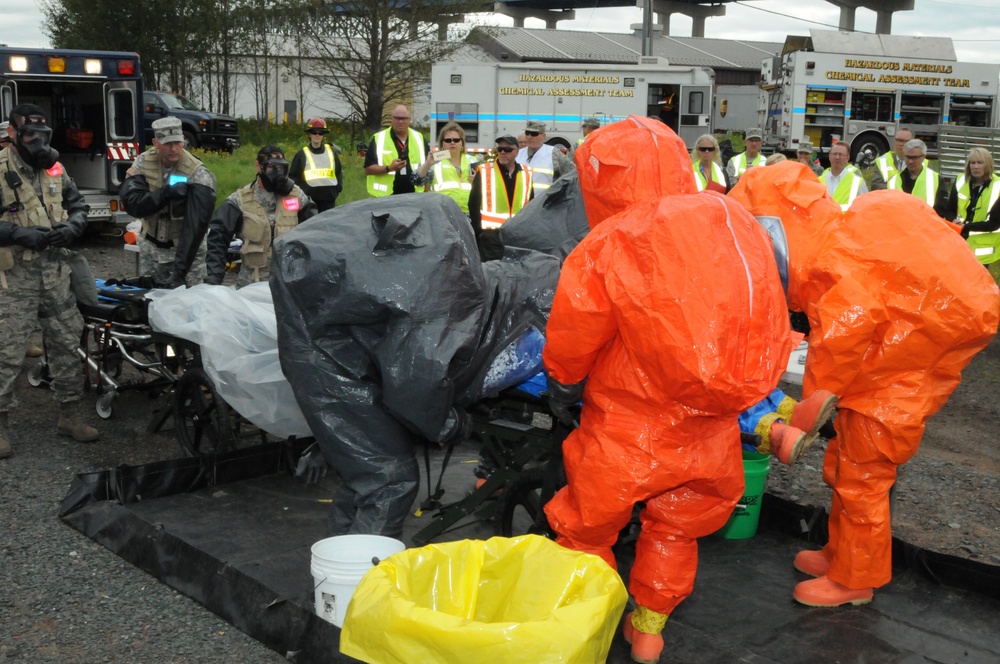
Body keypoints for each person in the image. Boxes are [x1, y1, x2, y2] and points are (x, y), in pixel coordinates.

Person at [544, 116, 793, 664]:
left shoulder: (614, 237)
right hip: (710, 426)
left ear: (600, 178)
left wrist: (561, 377)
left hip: (629, 424)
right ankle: (649, 631)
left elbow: (574, 334)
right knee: (675, 528)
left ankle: (592, 626)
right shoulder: (731, 216)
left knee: (588, 530)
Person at [730, 161, 999, 608]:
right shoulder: (840, 246)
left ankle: (855, 579)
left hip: (895, 384)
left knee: (863, 477)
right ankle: (841, 555)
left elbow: (842, 336)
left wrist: (807, 408)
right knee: (845, 465)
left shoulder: (834, 259)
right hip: (889, 370)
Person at [0, 103, 100, 458]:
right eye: (30, 134)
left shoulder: (56, 169)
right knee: (8, 352)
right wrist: (18, 233)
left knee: (67, 345)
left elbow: (79, 206)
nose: (38, 141)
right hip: (15, 279)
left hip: (56, 274)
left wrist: (72, 227)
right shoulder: (0, 169)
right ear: (12, 133)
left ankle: (70, 415)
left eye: (44, 135)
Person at [120, 116, 216, 288]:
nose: (173, 149)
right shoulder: (143, 163)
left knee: (190, 305)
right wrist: (165, 194)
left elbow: (196, 226)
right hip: (152, 250)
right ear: (155, 143)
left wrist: (179, 272)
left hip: (187, 253)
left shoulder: (198, 174)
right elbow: (133, 205)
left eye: (178, 143)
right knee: (151, 302)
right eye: (167, 144)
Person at [205, 145, 318, 287]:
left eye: (281, 168)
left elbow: (315, 231)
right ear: (258, 167)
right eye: (271, 167)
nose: (277, 173)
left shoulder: (297, 196)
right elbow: (217, 239)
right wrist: (214, 278)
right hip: (252, 283)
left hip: (288, 283)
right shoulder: (240, 200)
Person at [468, 135, 533, 260]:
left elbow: (531, 205)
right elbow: (473, 203)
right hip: (491, 237)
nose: (503, 152)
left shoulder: (526, 173)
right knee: (492, 275)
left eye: (507, 150)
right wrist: (480, 232)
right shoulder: (485, 170)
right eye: (500, 149)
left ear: (516, 152)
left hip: (517, 236)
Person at [935, 147, 1000, 263]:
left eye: (980, 163)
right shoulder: (961, 181)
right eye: (972, 163)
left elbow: (995, 223)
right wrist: (953, 220)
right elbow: (949, 209)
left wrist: (967, 227)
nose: (975, 166)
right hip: (958, 243)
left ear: (988, 165)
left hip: (983, 249)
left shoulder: (998, 186)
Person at [363, 105, 426, 197]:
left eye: (404, 118)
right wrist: (389, 168)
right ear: (391, 119)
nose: (400, 122)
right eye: (397, 118)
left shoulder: (419, 138)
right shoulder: (379, 138)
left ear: (409, 120)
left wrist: (427, 194)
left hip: (414, 196)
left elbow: (428, 167)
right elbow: (368, 169)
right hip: (386, 197)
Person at [415, 121, 474, 214]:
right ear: (442, 144)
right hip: (442, 215)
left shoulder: (472, 161)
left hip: (469, 215)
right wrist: (427, 164)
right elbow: (416, 180)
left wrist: (478, 181)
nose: (452, 142)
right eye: (448, 140)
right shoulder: (435, 161)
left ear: (462, 143)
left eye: (456, 140)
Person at [288, 117, 343, 213]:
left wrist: (337, 190)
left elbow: (338, 173)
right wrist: (303, 194)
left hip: (328, 202)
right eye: (314, 132)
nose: (317, 135)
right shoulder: (301, 154)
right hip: (309, 202)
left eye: (320, 133)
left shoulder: (332, 152)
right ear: (309, 134)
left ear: (323, 135)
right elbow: (293, 177)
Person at [515, 120, 574, 195]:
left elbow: (572, 174)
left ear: (543, 136)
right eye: (527, 133)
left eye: (534, 134)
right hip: (522, 204)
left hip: (544, 204)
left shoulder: (553, 153)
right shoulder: (518, 154)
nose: (529, 137)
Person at [886, 138, 944, 209]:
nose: (910, 161)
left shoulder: (936, 179)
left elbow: (942, 209)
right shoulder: (893, 181)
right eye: (908, 157)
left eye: (914, 158)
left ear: (923, 157)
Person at [819, 142, 867, 210]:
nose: (837, 157)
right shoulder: (819, 181)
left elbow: (864, 207)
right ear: (829, 156)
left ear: (847, 158)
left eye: (841, 154)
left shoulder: (857, 182)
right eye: (834, 154)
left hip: (847, 220)